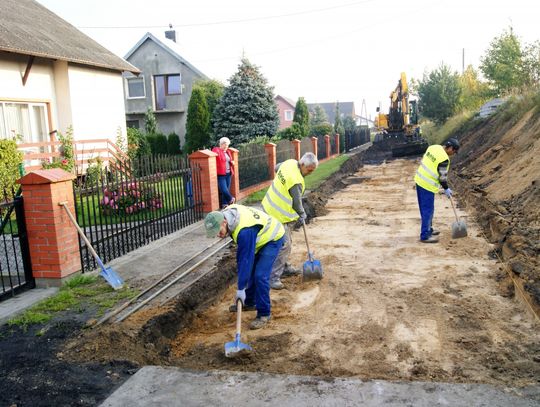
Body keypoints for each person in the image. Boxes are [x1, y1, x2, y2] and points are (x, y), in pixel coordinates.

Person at [204, 204, 284, 330]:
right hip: (258, 239)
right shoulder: (228, 215)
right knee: (250, 270)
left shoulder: (244, 231)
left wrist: (241, 288)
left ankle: (264, 313)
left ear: (224, 222)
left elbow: (245, 260)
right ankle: (249, 302)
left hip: (272, 238)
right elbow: (244, 259)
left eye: (218, 231)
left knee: (260, 276)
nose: (218, 235)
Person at [261, 152, 319, 290]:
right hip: (278, 215)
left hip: (268, 206)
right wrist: (302, 214)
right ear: (303, 164)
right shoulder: (296, 180)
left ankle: (284, 267)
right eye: (309, 170)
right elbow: (296, 202)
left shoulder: (289, 163)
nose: (310, 173)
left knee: (286, 243)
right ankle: (273, 278)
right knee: (284, 245)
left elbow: (276, 168)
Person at [414, 137, 460, 243]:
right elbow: (442, 178)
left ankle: (428, 230)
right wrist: (446, 189)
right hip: (427, 185)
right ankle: (425, 235)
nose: (453, 154)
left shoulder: (434, 147)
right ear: (450, 148)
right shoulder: (444, 159)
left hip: (419, 180)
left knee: (426, 209)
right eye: (454, 151)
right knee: (427, 210)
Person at [212, 137, 235, 208]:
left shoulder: (228, 152)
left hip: (228, 173)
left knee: (226, 189)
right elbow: (214, 153)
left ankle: (224, 204)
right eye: (225, 145)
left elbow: (228, 160)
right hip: (221, 174)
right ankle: (231, 198)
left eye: (227, 145)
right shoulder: (217, 150)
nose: (226, 147)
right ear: (221, 144)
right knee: (224, 189)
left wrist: (232, 162)